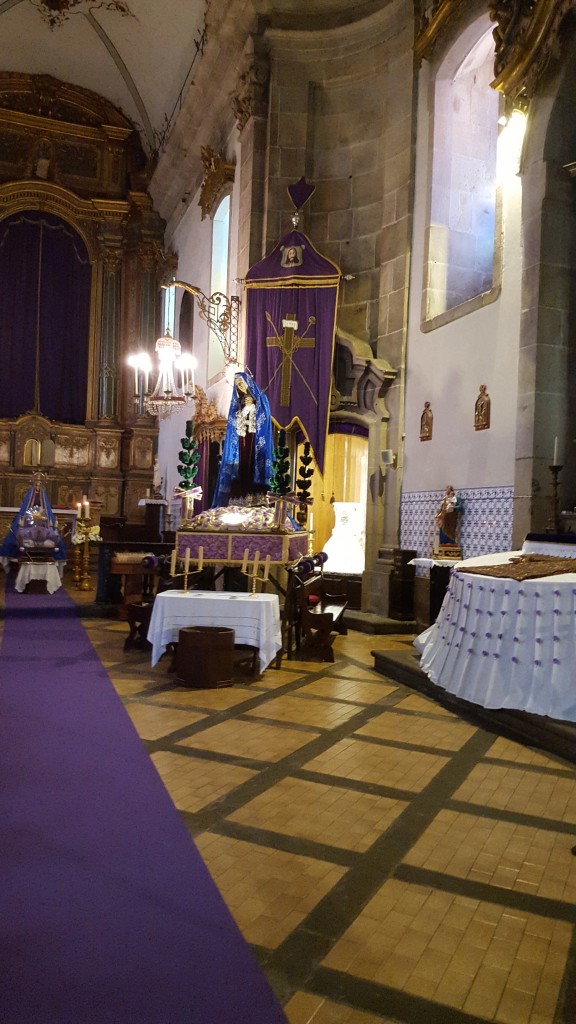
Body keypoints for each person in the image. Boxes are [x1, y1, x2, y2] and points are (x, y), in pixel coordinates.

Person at [211, 371, 273, 508]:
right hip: (241, 444)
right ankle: (239, 500)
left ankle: (256, 499)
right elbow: (234, 425)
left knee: (253, 466)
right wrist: (243, 410)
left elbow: (264, 420)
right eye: (237, 385)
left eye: (241, 384)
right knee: (240, 467)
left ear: (248, 384)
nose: (239, 387)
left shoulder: (261, 401)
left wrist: (253, 406)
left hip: (255, 442)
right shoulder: (236, 408)